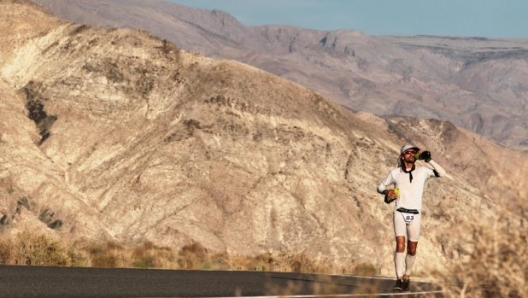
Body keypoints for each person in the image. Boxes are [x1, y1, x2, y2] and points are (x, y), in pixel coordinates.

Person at [377, 144, 446, 292]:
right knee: (400, 245)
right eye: (408, 152)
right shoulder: (395, 173)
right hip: (399, 212)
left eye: (414, 152)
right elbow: (380, 187)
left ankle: (407, 276)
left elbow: (442, 173)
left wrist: (429, 160)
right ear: (402, 156)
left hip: (415, 214)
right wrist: (387, 192)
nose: (411, 154)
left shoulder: (422, 171)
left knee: (412, 249)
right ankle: (399, 279)